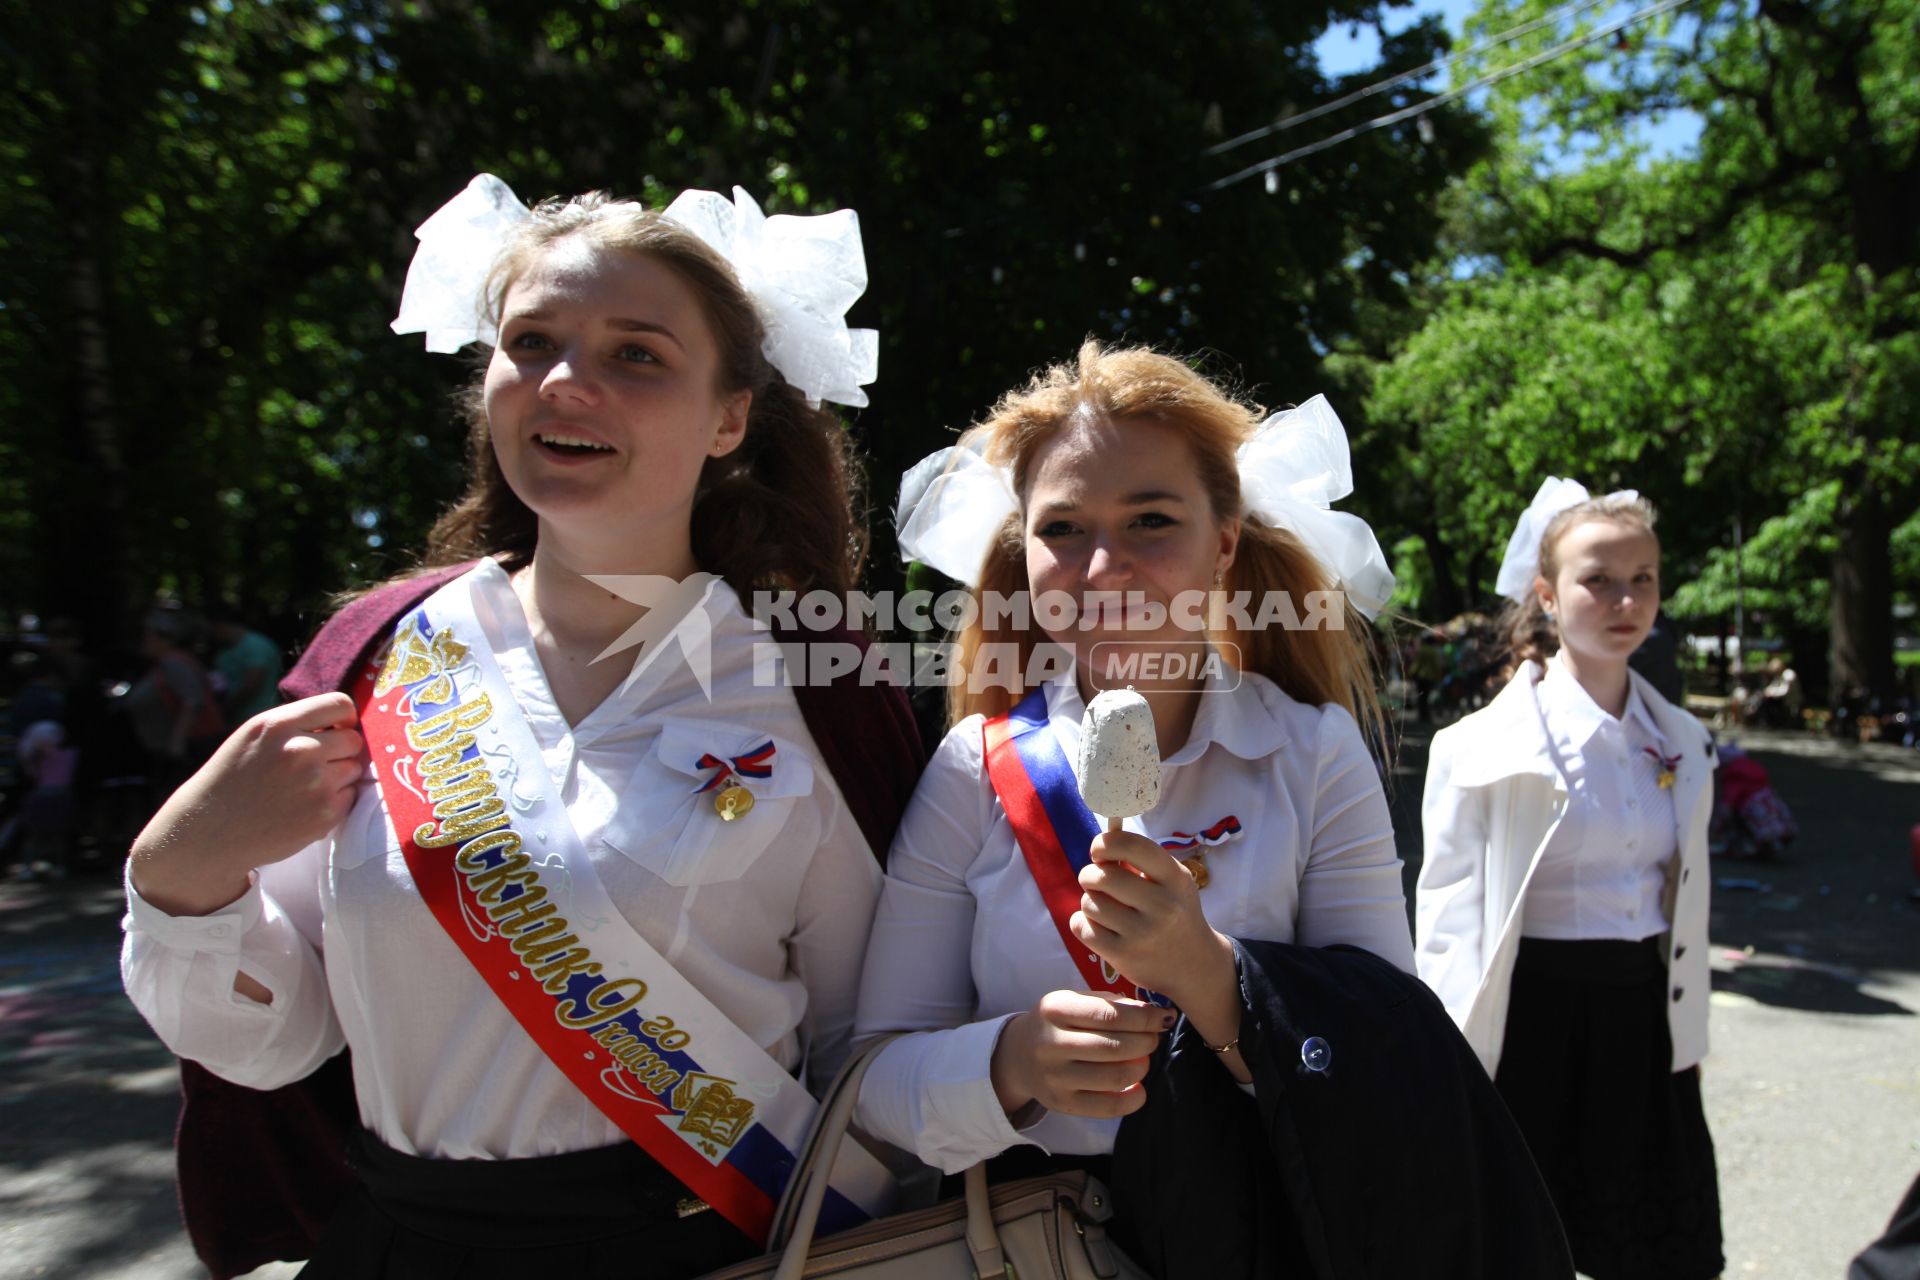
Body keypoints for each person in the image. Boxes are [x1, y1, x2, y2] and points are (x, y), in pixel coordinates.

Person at [121, 175, 914, 1279]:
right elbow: (276, 1043)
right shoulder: (380, 654)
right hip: (401, 1247)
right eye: (530, 341)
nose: (564, 383)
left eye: (636, 353)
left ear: (730, 414)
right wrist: (180, 877)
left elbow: (868, 1047)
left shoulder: (816, 692)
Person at [860, 344, 1573, 1276]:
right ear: (1022, 552)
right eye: (1064, 529)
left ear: (1224, 541)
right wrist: (1012, 1064)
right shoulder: (971, 767)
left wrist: (1212, 977)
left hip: (1268, 1231)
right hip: (1027, 1242)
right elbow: (868, 1073)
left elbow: (1388, 1045)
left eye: (1151, 520)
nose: (1105, 567)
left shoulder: (1313, 753)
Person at [1417, 477, 1723, 1280]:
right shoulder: (1476, 747)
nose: (1625, 600)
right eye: (1598, 579)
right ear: (1548, 596)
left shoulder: (1684, 739)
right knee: (1525, 1248)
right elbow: (1449, 916)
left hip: (1643, 1021)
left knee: (1652, 1249)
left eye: (1643, 579)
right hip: (1533, 1022)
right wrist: (1443, 1060)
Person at [209, 603, 286, 725]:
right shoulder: (227, 648)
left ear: (220, 626)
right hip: (239, 717)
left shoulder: (255, 645)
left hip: (261, 716)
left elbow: (253, 683)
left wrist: (228, 705)